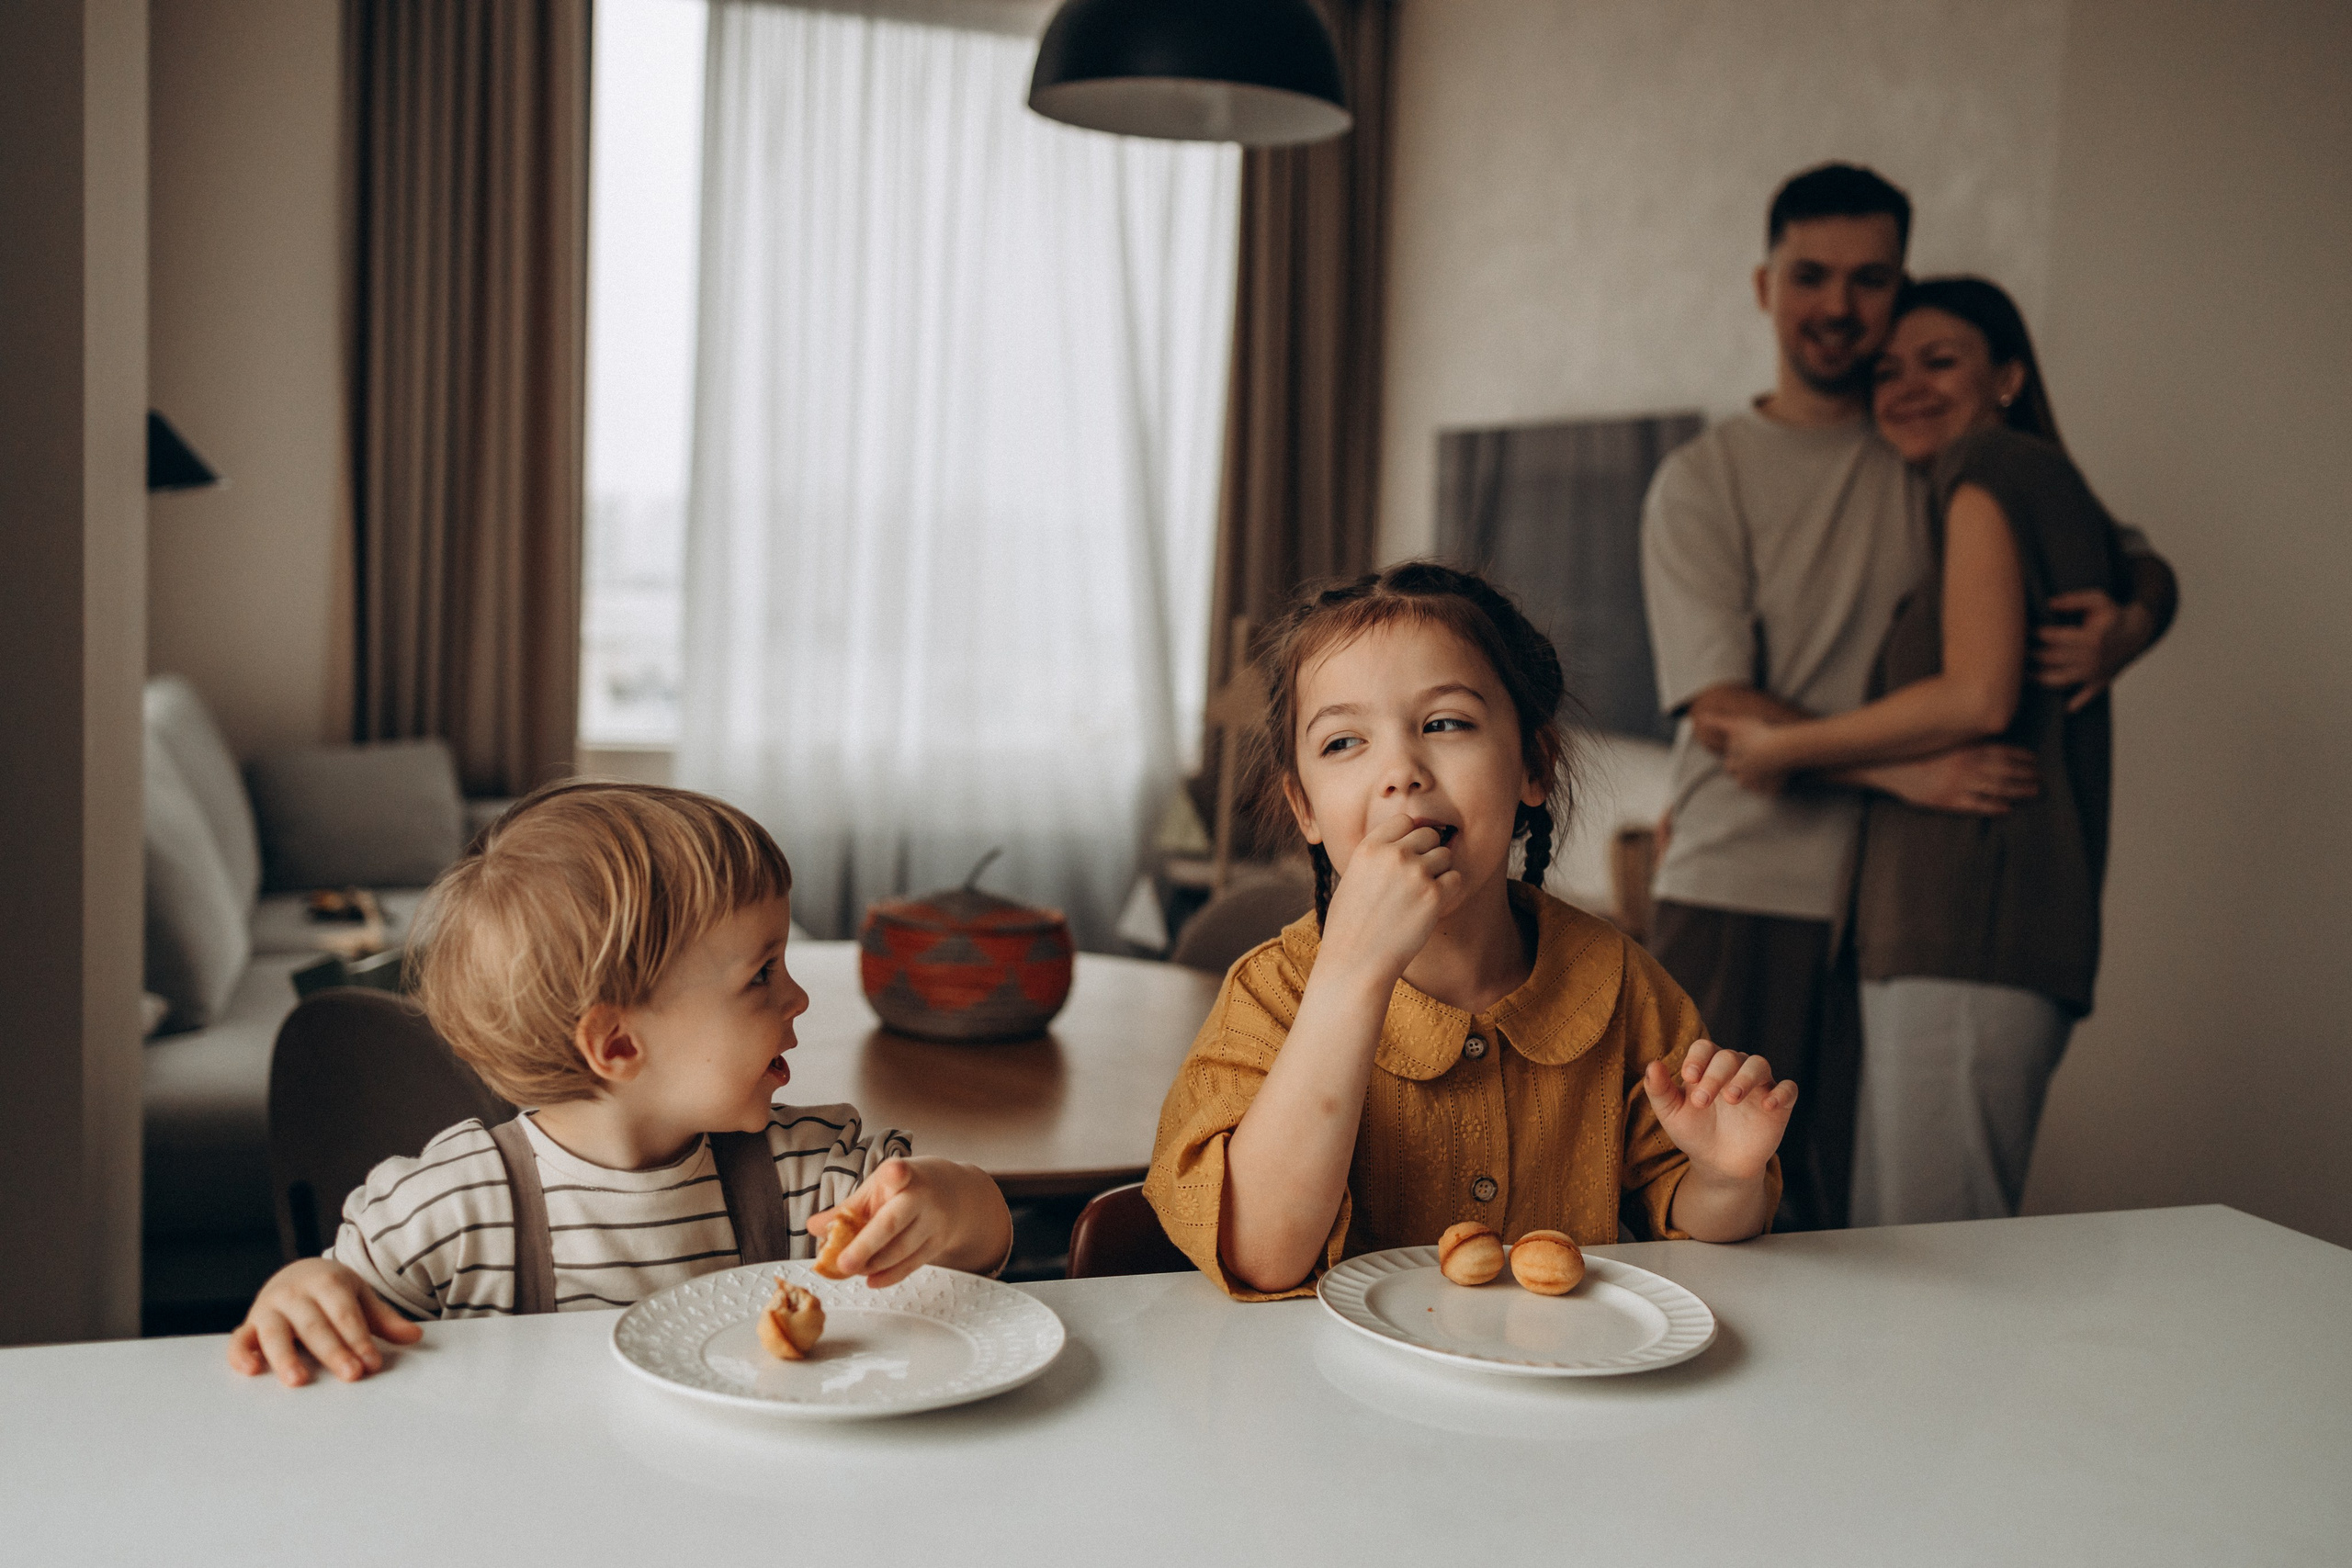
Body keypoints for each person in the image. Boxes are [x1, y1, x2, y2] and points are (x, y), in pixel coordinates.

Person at [1637, 163, 2177, 1230]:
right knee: (1689, 1209)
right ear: (1765, 287)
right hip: (1741, 888)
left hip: (1885, 912)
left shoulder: (1931, 444)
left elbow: (2124, 556)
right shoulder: (1704, 479)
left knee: (1852, 1229)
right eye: (1811, 276)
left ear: (1901, 285)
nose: (1838, 305)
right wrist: (1907, 772)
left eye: (1869, 278)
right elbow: (1723, 712)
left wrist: (2135, 620)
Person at [1146, 563, 1796, 1299]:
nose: (1400, 770)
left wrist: (1724, 1175)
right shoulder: (1271, 994)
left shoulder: (1620, 983)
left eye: (1445, 723)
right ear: (1305, 809)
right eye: (1342, 743)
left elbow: (1695, 1219)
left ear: (1533, 765)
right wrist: (1353, 971)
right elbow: (1261, 1256)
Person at [228, 782, 1013, 1386]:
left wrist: (948, 1201)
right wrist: (302, 1286)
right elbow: (332, 1310)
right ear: (618, 1041)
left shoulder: (808, 1171)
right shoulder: (451, 1210)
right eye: (762, 972)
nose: (798, 997)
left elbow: (980, 1240)